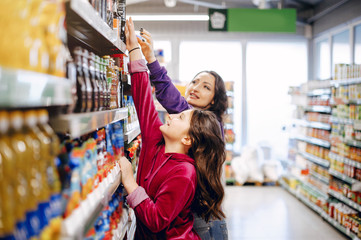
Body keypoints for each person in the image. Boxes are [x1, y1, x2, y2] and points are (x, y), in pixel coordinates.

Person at [118, 18, 226, 239]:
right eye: (194, 82)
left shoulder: (186, 171)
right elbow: (143, 97)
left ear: (189, 139)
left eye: (180, 117)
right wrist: (134, 49)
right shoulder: (156, 140)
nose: (171, 114)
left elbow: (157, 220)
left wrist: (130, 181)